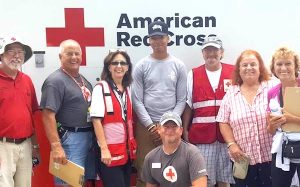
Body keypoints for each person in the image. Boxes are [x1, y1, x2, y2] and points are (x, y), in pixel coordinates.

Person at [132, 20, 187, 187]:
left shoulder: (178, 65)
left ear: (168, 38)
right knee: (145, 169)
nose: (157, 41)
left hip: (172, 125)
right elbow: (137, 100)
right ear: (149, 41)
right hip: (146, 127)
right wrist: (151, 126)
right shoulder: (141, 66)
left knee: (173, 169)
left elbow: (181, 99)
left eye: (161, 37)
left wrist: (168, 123)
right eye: (153, 38)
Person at [182, 34, 234, 187]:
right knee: (205, 180)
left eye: (215, 50)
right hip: (203, 137)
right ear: (202, 53)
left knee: (225, 179)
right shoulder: (193, 74)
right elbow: (188, 104)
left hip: (228, 137)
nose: (211, 54)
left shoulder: (234, 72)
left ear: (222, 52)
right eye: (207, 50)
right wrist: (185, 129)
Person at [40, 39, 93, 186]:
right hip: (70, 140)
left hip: (88, 138)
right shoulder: (55, 81)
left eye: (77, 53)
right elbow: (47, 115)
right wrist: (56, 146)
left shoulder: (82, 80)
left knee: (80, 182)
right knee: (68, 182)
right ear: (60, 57)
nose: (74, 57)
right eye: (69, 54)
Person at [216, 50, 273, 187]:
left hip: (271, 158)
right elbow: (223, 121)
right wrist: (231, 144)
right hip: (242, 159)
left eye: (253, 64)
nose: (249, 68)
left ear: (260, 67)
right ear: (239, 70)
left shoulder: (271, 88)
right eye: (244, 65)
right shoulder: (231, 93)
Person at [89, 49, 136, 187]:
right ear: (109, 67)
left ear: (127, 67)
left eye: (123, 63)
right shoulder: (101, 88)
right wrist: (104, 149)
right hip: (109, 154)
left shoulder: (127, 89)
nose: (119, 66)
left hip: (126, 153)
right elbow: (96, 120)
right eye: (115, 63)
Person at [0, 36, 39, 187]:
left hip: (26, 145)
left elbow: (31, 115)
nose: (17, 56)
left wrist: (35, 146)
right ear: (2, 55)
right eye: (11, 51)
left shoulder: (27, 80)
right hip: (3, 147)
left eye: (20, 52)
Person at [141, 111, 208, 187]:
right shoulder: (151, 157)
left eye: (174, 126)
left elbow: (200, 185)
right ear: (159, 129)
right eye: (166, 126)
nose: (170, 130)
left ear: (181, 131)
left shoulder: (193, 154)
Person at [266, 47, 300, 187]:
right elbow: (270, 130)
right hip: (282, 149)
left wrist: (292, 119)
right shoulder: (272, 92)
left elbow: (291, 119)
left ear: (296, 66)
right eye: (279, 64)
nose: (283, 68)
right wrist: (273, 125)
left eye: (288, 63)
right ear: (274, 68)